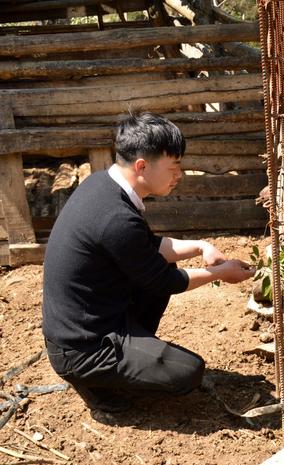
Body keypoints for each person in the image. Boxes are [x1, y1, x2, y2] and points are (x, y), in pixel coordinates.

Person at [42, 112, 255, 413]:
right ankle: (97, 384)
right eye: (174, 167)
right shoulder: (115, 217)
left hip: (86, 324)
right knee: (189, 372)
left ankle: (128, 358)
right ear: (142, 166)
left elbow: (147, 248)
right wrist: (219, 272)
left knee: (160, 267)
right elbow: (165, 282)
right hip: (83, 348)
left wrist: (200, 246)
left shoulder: (102, 185)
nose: (179, 175)